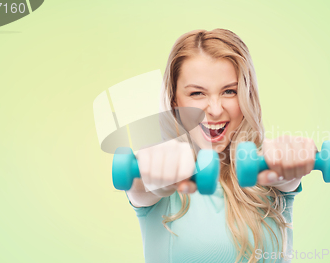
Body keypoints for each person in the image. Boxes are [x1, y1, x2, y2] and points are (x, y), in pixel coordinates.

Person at [126, 28, 317, 263]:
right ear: (175, 101)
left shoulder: (266, 171)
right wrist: (150, 172)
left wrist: (294, 155)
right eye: (197, 93)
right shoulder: (160, 174)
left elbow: (285, 177)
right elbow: (141, 185)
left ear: (246, 95)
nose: (215, 110)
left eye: (229, 91)